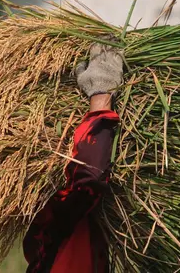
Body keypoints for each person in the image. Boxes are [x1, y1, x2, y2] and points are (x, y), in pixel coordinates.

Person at [23, 39, 124, 273]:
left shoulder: (55, 230)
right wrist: (101, 92)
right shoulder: (54, 225)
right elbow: (89, 180)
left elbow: (86, 183)